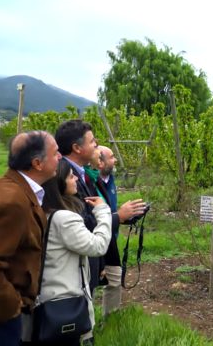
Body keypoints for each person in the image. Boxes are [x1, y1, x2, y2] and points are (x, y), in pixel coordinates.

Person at [0, 131, 61, 346]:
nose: (60, 157)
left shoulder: (12, 188)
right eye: (55, 153)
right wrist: (11, 307)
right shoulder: (12, 202)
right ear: (37, 163)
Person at [26, 158, 112, 346]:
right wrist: (103, 211)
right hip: (63, 302)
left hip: (45, 298)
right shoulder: (63, 218)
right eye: (71, 176)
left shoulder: (42, 211)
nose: (76, 179)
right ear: (59, 183)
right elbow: (97, 246)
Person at [54, 120, 145, 294]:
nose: (96, 144)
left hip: (88, 257)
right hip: (77, 265)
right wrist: (118, 216)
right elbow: (83, 223)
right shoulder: (65, 178)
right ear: (77, 148)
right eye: (92, 141)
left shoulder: (81, 173)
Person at [96, 146, 123, 316]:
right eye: (112, 157)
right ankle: (85, 325)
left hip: (110, 237)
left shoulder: (110, 180)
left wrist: (125, 217)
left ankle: (111, 320)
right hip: (94, 237)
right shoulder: (89, 182)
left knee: (114, 278)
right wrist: (119, 216)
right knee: (91, 280)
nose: (115, 160)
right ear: (100, 162)